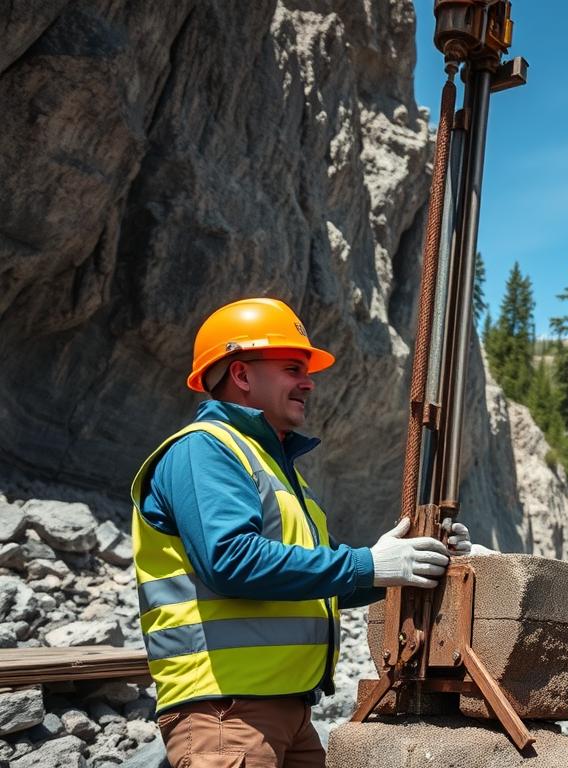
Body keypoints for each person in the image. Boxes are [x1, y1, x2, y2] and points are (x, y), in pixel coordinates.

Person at [131, 297, 473, 768]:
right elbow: (232, 561)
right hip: (226, 711)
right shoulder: (204, 451)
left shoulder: (274, 467)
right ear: (242, 374)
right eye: (293, 368)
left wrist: (399, 565)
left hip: (285, 709)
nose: (309, 383)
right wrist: (367, 565)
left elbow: (316, 583)